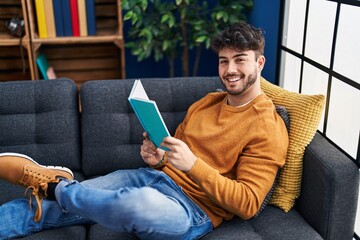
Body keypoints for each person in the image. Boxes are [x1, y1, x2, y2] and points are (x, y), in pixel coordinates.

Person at [0, 22, 288, 239]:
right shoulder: (207, 102)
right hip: (149, 177)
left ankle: (58, 187)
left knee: (137, 205)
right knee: (37, 205)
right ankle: (54, 190)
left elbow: (248, 203)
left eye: (240, 60)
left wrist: (194, 166)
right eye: (224, 61)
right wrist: (158, 157)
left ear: (259, 63)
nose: (230, 69)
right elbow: (172, 155)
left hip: (190, 210)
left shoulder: (268, 126)